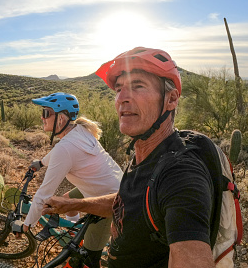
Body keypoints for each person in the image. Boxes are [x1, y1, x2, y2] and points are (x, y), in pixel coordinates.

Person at [42, 48, 216, 268]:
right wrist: (73, 204)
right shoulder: (149, 153)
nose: (122, 98)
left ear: (171, 99)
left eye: (138, 86)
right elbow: (127, 201)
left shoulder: (181, 175)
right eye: (119, 89)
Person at [23, 92, 123, 268]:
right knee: (68, 200)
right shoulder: (78, 130)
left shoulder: (66, 147)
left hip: (110, 201)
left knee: (87, 260)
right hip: (115, 185)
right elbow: (59, 151)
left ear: (61, 119)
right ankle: (74, 234)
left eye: (46, 113)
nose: (42, 117)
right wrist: (40, 163)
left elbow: (44, 193)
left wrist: (26, 225)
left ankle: (88, 250)